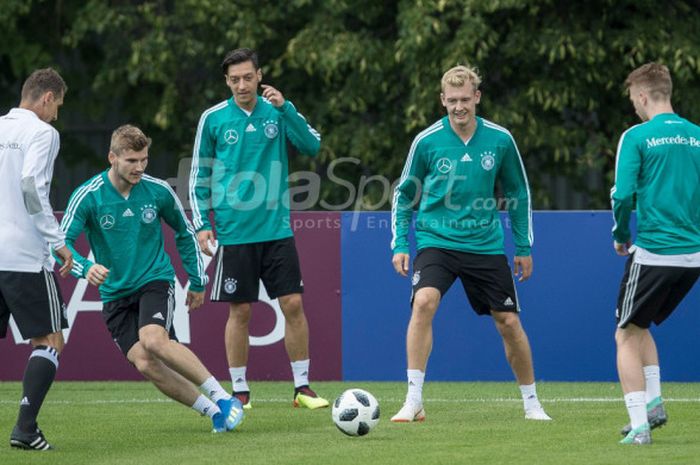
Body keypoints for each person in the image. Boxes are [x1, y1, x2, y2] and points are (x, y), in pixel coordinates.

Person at [390, 65, 551, 423]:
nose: (458, 107)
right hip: (437, 241)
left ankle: (532, 403)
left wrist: (523, 246)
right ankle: (413, 400)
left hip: (485, 245)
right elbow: (404, 196)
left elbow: (517, 192)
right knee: (424, 301)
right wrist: (401, 242)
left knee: (508, 321)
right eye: (452, 101)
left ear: (477, 97)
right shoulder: (427, 140)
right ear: (442, 100)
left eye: (465, 99)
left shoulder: (500, 139)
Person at [60, 125, 243, 433]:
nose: (140, 167)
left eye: (144, 159)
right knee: (145, 362)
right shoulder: (88, 196)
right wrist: (83, 267)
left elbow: (185, 235)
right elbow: (60, 243)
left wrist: (197, 281)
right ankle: (213, 412)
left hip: (153, 279)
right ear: (112, 158)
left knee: (154, 339)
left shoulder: (157, 190)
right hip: (114, 293)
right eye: (132, 160)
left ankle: (223, 397)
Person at [189, 47, 327, 410]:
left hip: (277, 228)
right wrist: (202, 223)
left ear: (259, 75)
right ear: (227, 81)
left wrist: (286, 108)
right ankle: (240, 391)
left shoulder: (277, 111)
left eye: (247, 77)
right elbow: (198, 174)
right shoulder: (214, 118)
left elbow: (312, 144)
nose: (241, 84)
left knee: (293, 304)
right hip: (235, 232)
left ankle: (302, 388)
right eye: (234, 79)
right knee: (241, 311)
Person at [612, 62, 700, 445]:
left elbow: (622, 195)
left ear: (644, 96)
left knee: (625, 335)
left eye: (634, 99)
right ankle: (655, 403)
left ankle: (640, 426)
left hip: (655, 251)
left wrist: (619, 233)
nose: (634, 106)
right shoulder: (697, 136)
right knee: (641, 324)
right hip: (694, 256)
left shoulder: (637, 136)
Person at [0, 68, 74, 451]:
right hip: (24, 256)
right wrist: (57, 241)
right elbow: (32, 185)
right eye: (57, 105)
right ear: (46, 98)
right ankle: (25, 430)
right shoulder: (43, 133)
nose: (57, 114)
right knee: (50, 340)